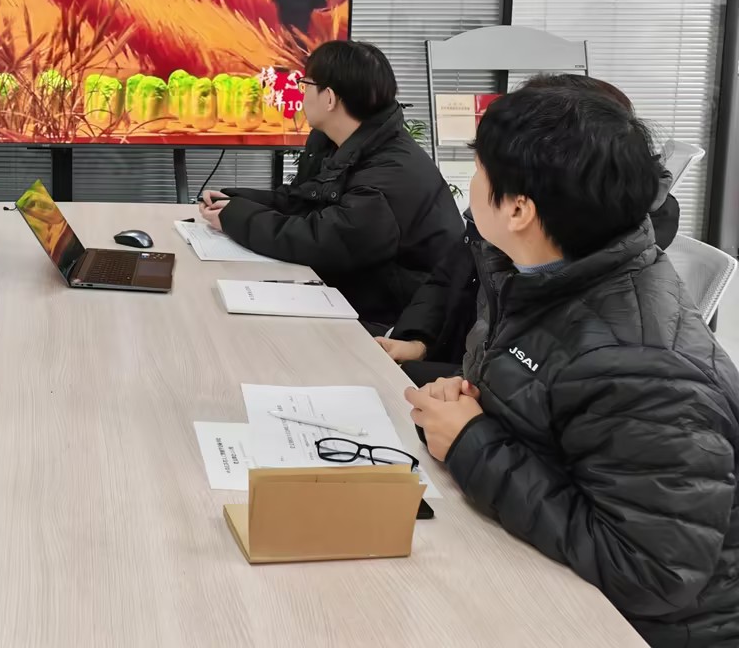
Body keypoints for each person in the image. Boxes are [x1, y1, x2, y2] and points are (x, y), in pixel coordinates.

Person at [404, 86, 739, 647]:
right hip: (538, 571)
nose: (470, 184)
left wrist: (472, 442)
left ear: (519, 209)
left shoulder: (647, 372)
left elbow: (651, 574)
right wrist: (465, 409)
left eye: (480, 169)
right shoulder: (537, 274)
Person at [378, 72, 681, 379]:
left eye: (481, 170)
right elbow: (449, 281)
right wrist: (419, 342)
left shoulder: (614, 331)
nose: (474, 186)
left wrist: (472, 405)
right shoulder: (520, 238)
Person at [199, 41, 463, 327]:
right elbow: (304, 200)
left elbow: (323, 241)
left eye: (305, 85)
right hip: (352, 294)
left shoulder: (390, 173)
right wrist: (235, 201)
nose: (301, 94)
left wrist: (238, 217)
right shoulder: (338, 143)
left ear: (329, 98)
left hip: (393, 322)